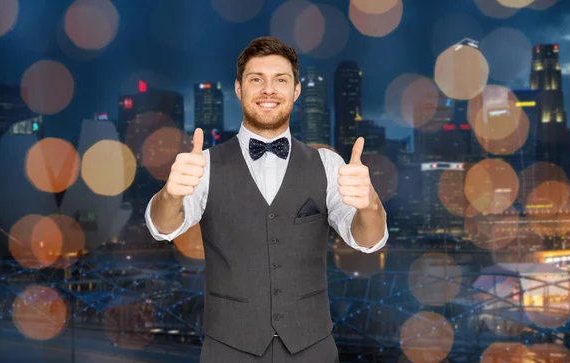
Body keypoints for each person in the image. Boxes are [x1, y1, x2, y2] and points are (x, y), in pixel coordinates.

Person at [145, 36, 388, 363]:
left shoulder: (329, 165)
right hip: (227, 348)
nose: (269, 89)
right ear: (238, 88)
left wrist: (370, 203)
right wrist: (170, 194)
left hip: (312, 347)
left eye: (281, 80)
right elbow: (163, 227)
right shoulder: (203, 164)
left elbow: (368, 242)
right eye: (256, 79)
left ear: (296, 90)